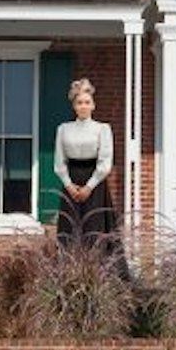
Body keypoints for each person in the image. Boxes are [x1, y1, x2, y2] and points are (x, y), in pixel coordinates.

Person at [53, 77, 117, 247]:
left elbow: (105, 162)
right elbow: (59, 161)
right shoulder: (63, 129)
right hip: (71, 182)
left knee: (94, 227)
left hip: (95, 183)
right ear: (74, 106)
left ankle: (97, 263)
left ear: (93, 105)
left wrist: (89, 186)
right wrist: (69, 185)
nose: (83, 106)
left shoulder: (102, 129)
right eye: (79, 103)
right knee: (70, 228)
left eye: (87, 102)